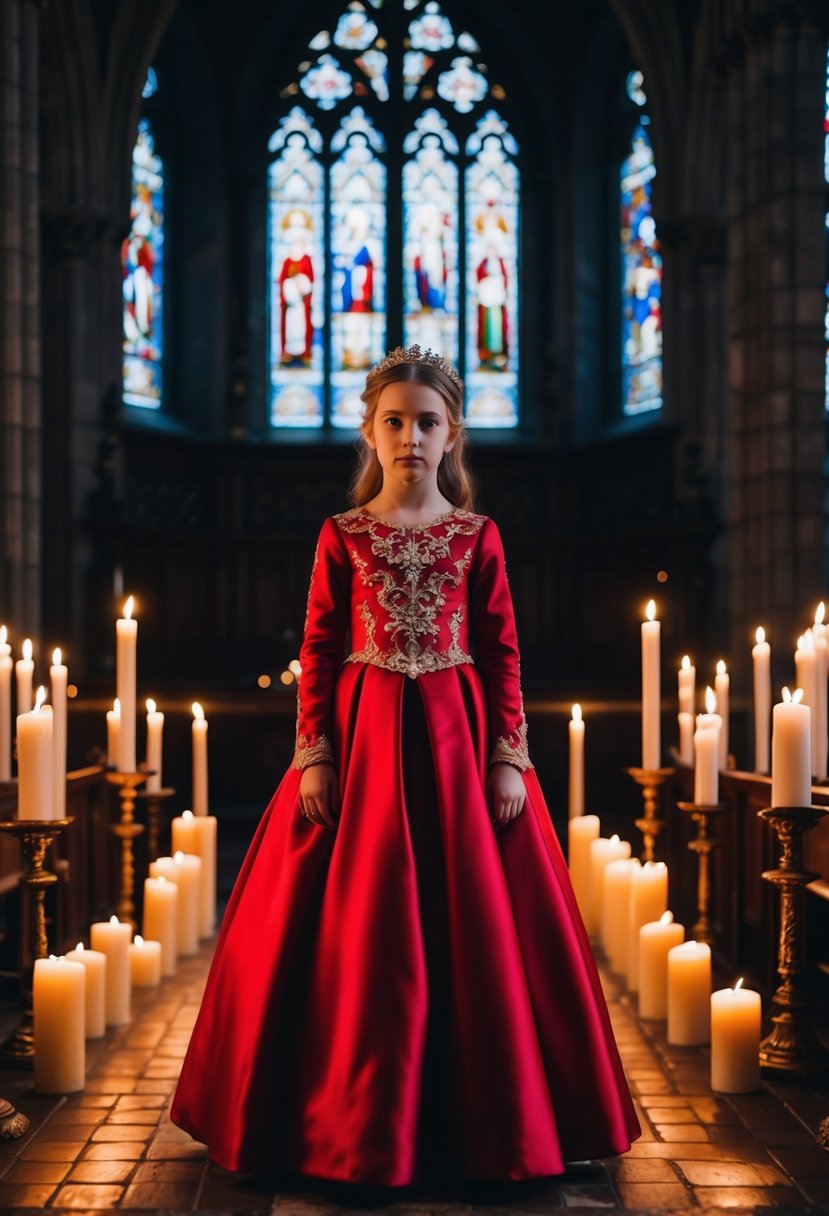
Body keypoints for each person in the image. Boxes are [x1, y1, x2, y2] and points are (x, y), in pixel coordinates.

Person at [170, 345, 640, 1187]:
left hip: (460, 744)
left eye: (427, 423)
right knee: (362, 921)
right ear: (369, 431)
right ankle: (343, 1123)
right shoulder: (342, 535)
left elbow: (501, 651)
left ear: (452, 434)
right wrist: (315, 755)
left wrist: (507, 756)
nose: (410, 438)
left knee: (477, 925)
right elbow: (317, 650)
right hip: (363, 739)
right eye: (395, 422)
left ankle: (489, 1126)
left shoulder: (476, 536)